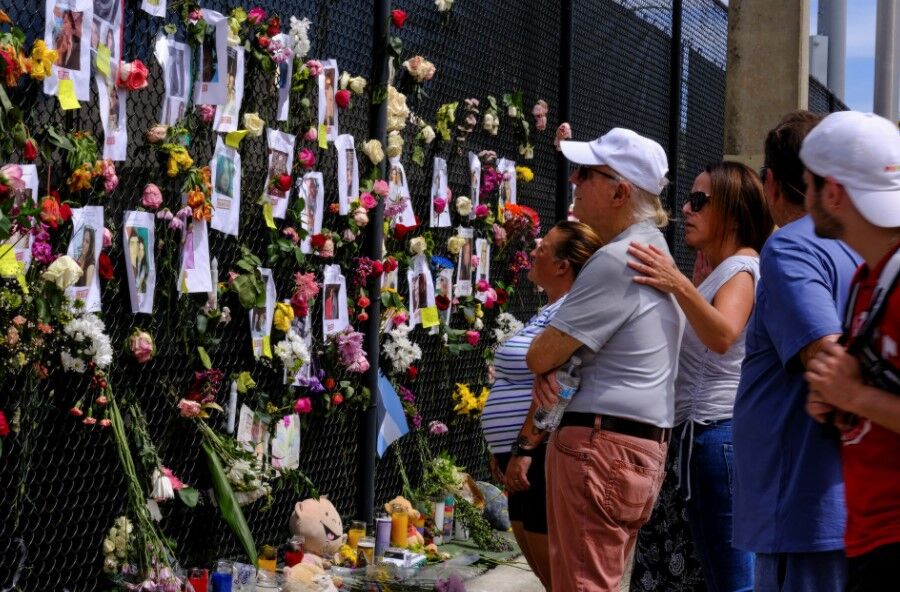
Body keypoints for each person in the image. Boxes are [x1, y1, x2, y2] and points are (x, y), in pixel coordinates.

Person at [526, 128, 684, 591]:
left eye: (586, 173)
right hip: (628, 446)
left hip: (601, 446)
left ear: (620, 191)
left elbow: (541, 354)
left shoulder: (619, 258)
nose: (574, 180)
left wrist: (550, 368)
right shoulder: (651, 250)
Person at [629, 162, 774, 592]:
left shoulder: (743, 268)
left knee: (729, 580)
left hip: (712, 437)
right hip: (698, 438)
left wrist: (679, 285)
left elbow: (724, 335)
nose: (686, 210)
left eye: (699, 201)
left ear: (731, 212)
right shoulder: (724, 271)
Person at [731, 110, 859, 592]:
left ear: (770, 183)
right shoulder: (862, 247)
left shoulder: (791, 248)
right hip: (839, 505)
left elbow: (827, 360)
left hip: (806, 512)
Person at [799, 111, 900, 591]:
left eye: (808, 185)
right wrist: (840, 400)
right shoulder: (868, 279)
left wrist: (853, 395)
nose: (805, 199)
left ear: (833, 192)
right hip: (870, 539)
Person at [484, 220, 602, 589]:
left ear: (563, 265)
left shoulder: (569, 312)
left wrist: (523, 447)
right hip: (519, 455)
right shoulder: (549, 310)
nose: (534, 251)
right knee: (546, 574)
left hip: (538, 454)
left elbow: (561, 388)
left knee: (561, 577)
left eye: (544, 247)